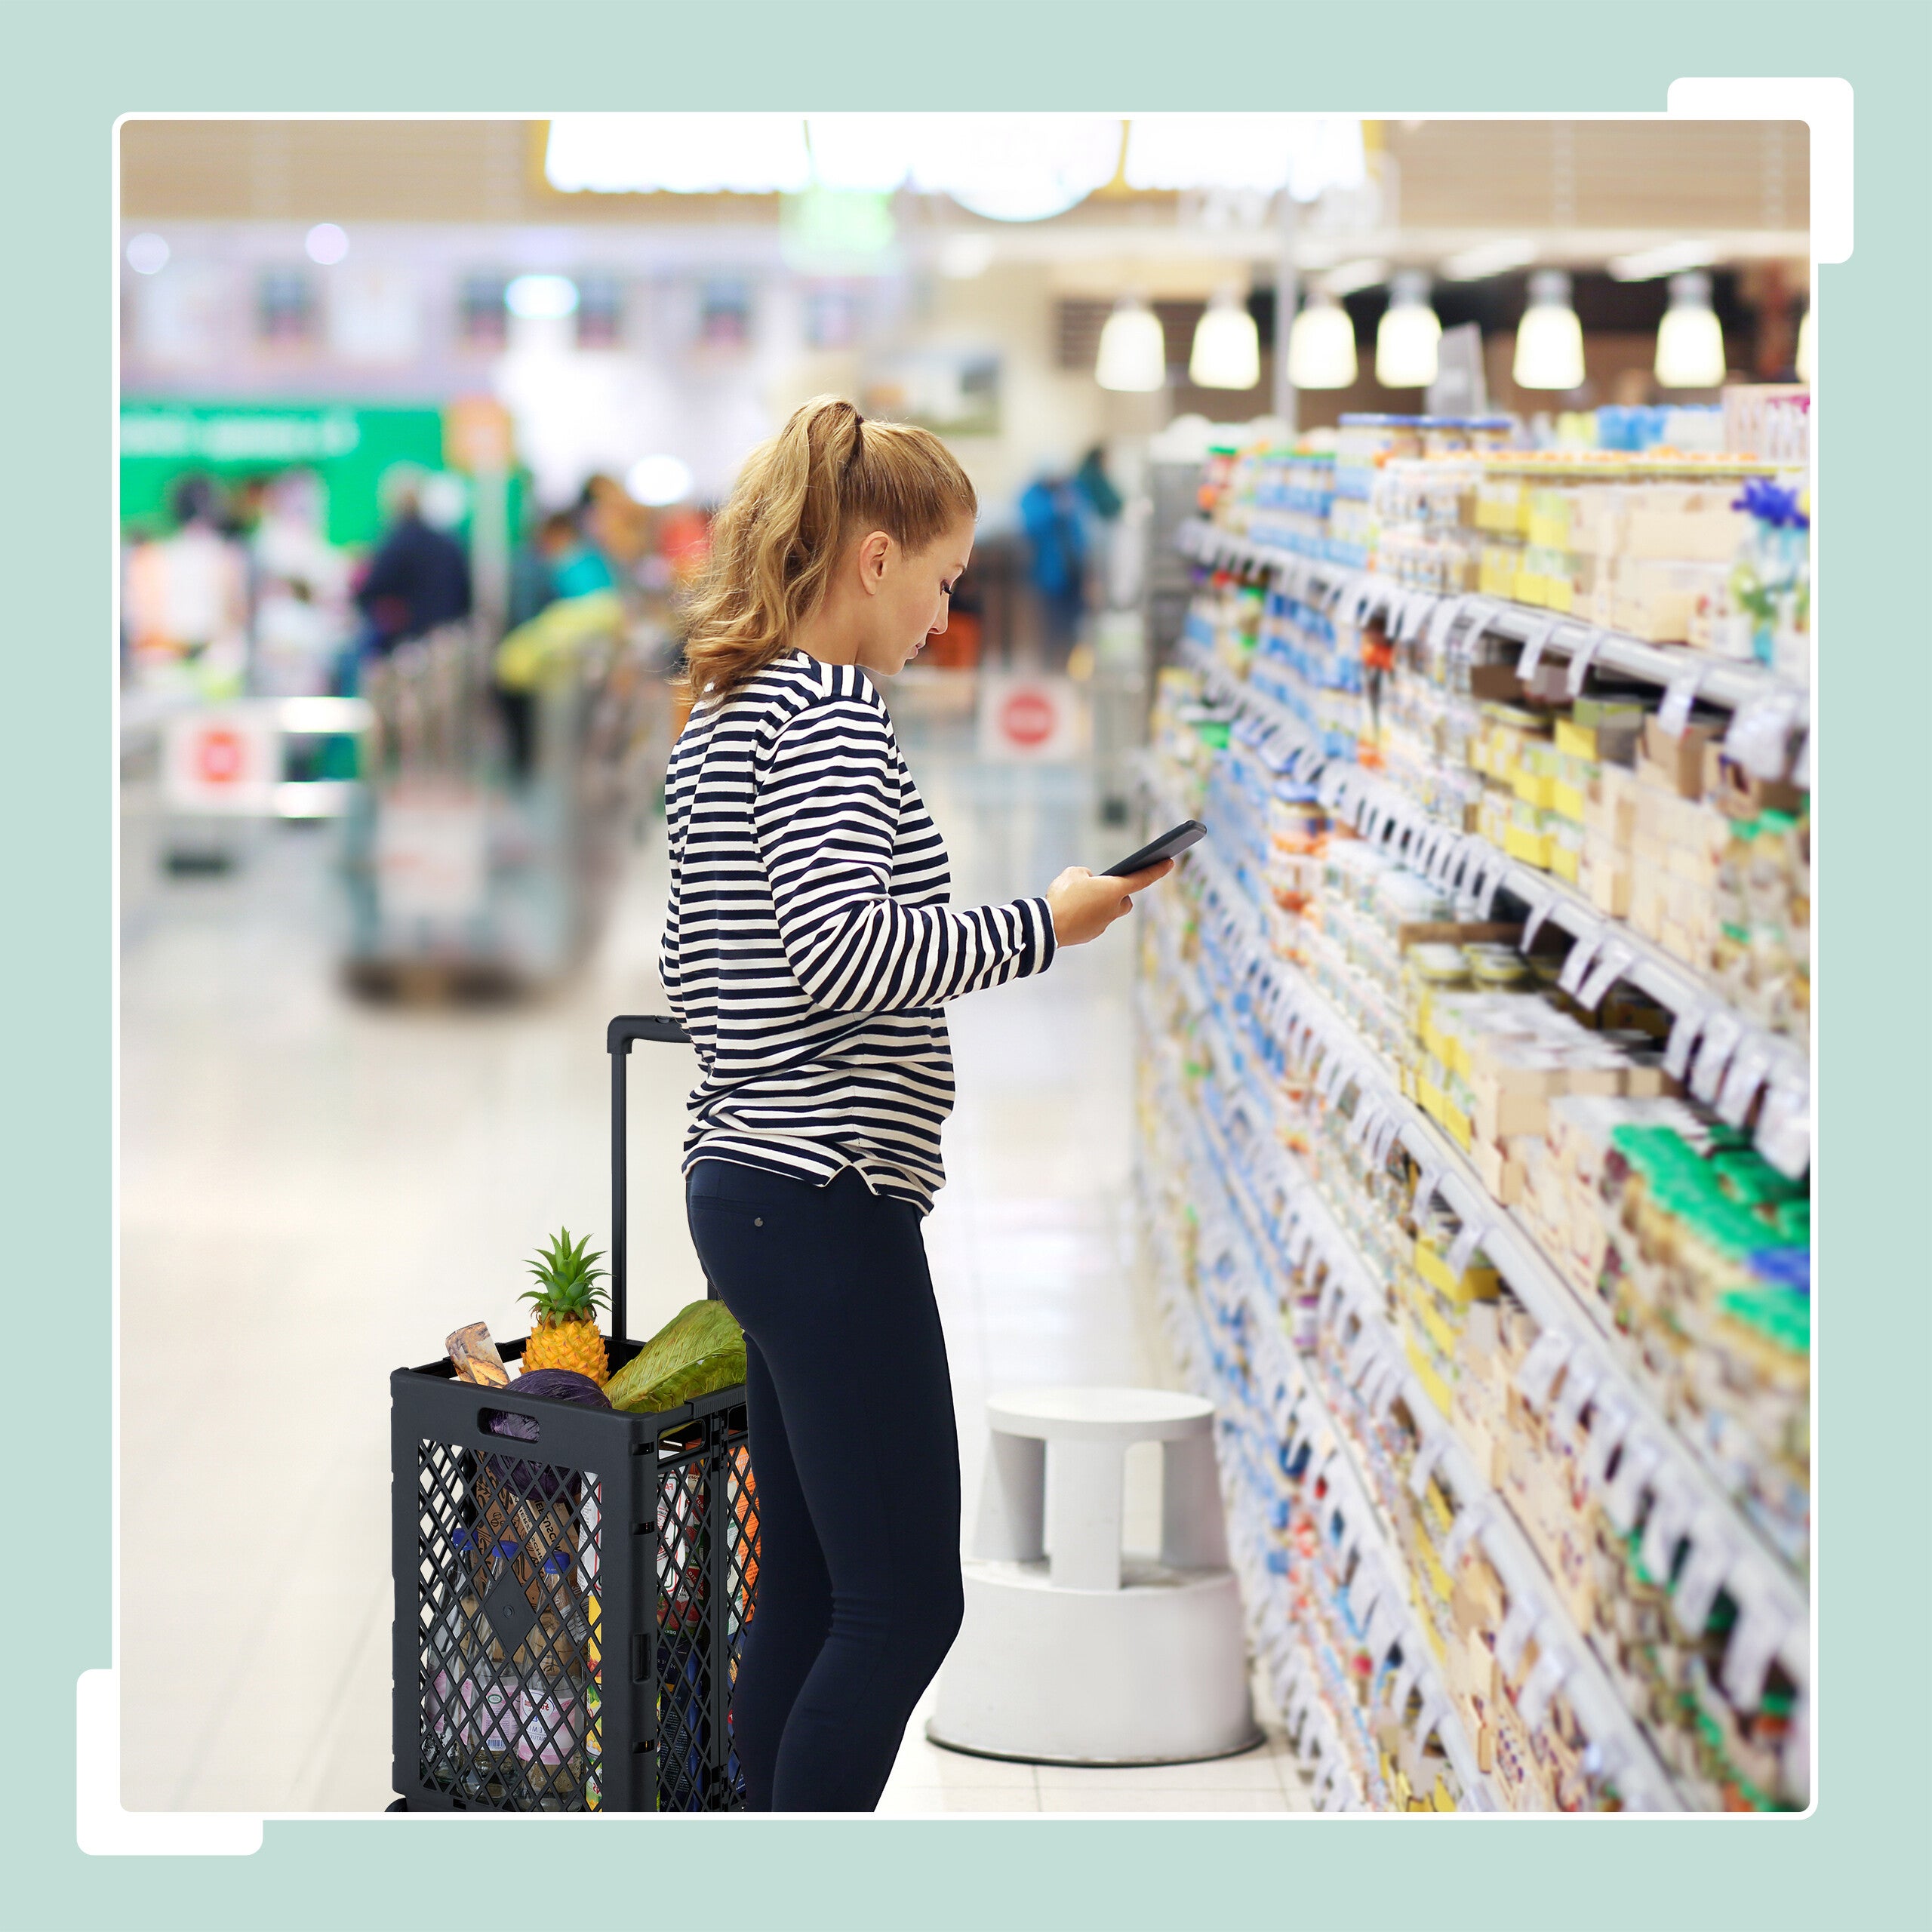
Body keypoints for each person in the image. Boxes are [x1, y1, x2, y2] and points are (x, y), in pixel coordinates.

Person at [659, 397, 1171, 1812]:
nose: (946, 618)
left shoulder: (733, 700)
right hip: (821, 1188)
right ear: (874, 558)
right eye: (943, 581)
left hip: (753, 1178)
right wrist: (1045, 923)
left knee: (812, 1593)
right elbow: (843, 951)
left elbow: (725, 949)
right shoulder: (825, 713)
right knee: (903, 1606)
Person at [352, 465, 472, 663]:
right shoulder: (448, 542)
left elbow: (371, 590)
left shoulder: (396, 542)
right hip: (447, 639)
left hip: (407, 645)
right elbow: (465, 593)